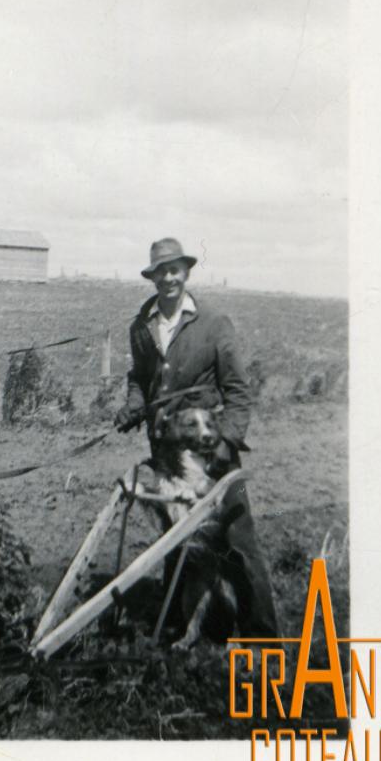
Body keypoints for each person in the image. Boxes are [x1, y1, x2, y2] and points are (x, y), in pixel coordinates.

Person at [115, 236, 278, 637]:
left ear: (186, 272)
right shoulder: (142, 325)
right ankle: (182, 620)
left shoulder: (213, 323)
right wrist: (134, 405)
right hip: (167, 454)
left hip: (210, 452)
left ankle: (261, 635)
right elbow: (140, 376)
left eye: (174, 270)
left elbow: (238, 390)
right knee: (176, 534)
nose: (168, 278)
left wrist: (227, 442)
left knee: (237, 539)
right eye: (160, 272)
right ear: (152, 278)